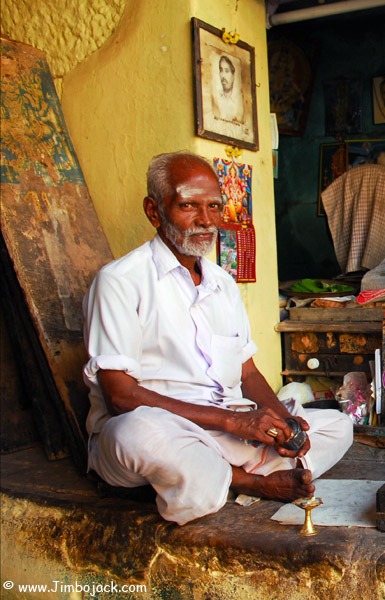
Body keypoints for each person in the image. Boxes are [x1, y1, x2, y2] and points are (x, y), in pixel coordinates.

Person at [82, 151, 353, 525]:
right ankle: (254, 482)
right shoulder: (120, 282)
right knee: (134, 433)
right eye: (188, 206)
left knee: (338, 425)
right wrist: (232, 423)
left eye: (213, 207)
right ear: (153, 210)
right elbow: (120, 396)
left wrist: (280, 422)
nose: (205, 221)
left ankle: (224, 475)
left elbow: (249, 374)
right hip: (167, 432)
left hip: (228, 433)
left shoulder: (222, 284)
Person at [212, 54, 244, 123]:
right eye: (221, 70)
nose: (223, 76)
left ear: (233, 75)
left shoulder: (239, 100)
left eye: (227, 71)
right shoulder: (216, 98)